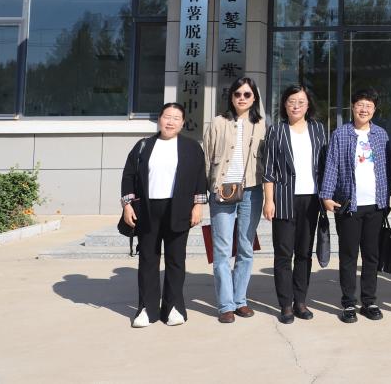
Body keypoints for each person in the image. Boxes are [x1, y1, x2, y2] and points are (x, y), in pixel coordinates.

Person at [121, 102, 207, 327]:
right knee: (148, 259)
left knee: (176, 259)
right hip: (148, 210)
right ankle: (146, 309)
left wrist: (198, 206)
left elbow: (200, 178)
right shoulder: (143, 146)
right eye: (167, 116)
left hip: (179, 209)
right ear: (159, 119)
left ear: (183, 123)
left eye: (176, 118)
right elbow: (129, 175)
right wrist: (127, 205)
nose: (170, 122)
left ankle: (174, 308)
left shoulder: (191, 148)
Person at [320, 88, 391, 323]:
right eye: (360, 104)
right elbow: (331, 165)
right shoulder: (341, 134)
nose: (364, 109)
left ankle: (369, 301)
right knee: (349, 255)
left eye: (369, 106)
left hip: (375, 205)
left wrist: (387, 198)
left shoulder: (381, 134)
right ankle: (349, 303)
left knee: (371, 255)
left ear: (374, 109)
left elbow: (387, 168)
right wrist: (326, 195)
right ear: (352, 107)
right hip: (348, 205)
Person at [263, 85, 328, 324]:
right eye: (291, 101)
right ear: (284, 105)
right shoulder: (276, 131)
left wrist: (327, 196)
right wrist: (269, 200)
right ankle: (285, 305)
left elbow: (326, 165)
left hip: (311, 199)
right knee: (283, 254)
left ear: (308, 105)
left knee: (304, 253)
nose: (296, 105)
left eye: (301, 101)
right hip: (283, 199)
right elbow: (268, 169)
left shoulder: (318, 129)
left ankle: (300, 301)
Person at [204, 76, 267, 324]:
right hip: (222, 190)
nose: (242, 98)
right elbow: (206, 158)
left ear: (254, 98)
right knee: (222, 249)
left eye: (247, 94)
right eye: (237, 94)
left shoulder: (261, 124)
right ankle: (226, 305)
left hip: (251, 191)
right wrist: (205, 193)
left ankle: (240, 300)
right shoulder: (218, 122)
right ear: (231, 97)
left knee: (245, 247)